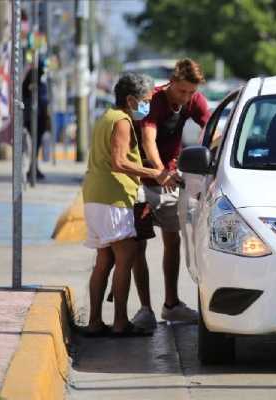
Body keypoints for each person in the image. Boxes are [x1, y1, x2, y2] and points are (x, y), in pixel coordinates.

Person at [81, 73, 173, 337]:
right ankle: (120, 322)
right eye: (144, 101)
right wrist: (155, 173)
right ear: (131, 100)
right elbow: (119, 162)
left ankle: (95, 322)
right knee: (126, 257)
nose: (147, 106)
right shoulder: (121, 121)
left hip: (96, 196)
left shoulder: (106, 117)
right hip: (113, 197)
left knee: (104, 260)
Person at [130, 58, 211, 330]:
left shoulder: (195, 100)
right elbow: (147, 139)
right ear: (172, 82)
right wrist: (159, 169)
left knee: (173, 240)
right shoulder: (153, 100)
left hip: (169, 179)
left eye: (191, 92)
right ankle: (144, 309)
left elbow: (210, 130)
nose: (186, 97)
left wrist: (207, 153)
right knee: (137, 245)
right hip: (140, 180)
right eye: (182, 91)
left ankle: (172, 304)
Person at [22, 60, 49, 181]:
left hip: (40, 117)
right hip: (34, 117)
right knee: (34, 144)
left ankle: (34, 168)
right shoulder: (33, 76)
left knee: (36, 144)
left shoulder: (40, 78)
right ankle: (32, 169)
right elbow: (25, 93)